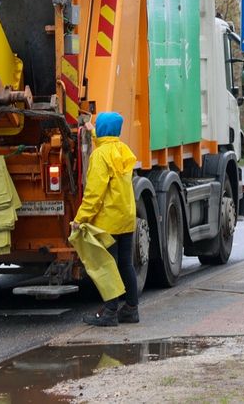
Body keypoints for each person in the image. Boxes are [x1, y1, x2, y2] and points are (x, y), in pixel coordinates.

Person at [71, 111, 140, 327]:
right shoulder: (122, 150)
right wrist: (92, 130)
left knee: (108, 266)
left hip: (108, 221)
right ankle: (131, 309)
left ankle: (110, 312)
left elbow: (94, 193)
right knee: (126, 264)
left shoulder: (99, 156)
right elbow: (106, 142)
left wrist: (80, 218)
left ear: (102, 129)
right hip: (127, 217)